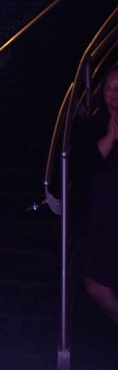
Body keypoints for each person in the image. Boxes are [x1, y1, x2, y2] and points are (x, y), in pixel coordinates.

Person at [71, 64, 118, 324]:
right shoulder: (91, 127)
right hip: (97, 222)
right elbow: (79, 168)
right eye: (110, 86)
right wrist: (110, 137)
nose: (115, 93)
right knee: (95, 286)